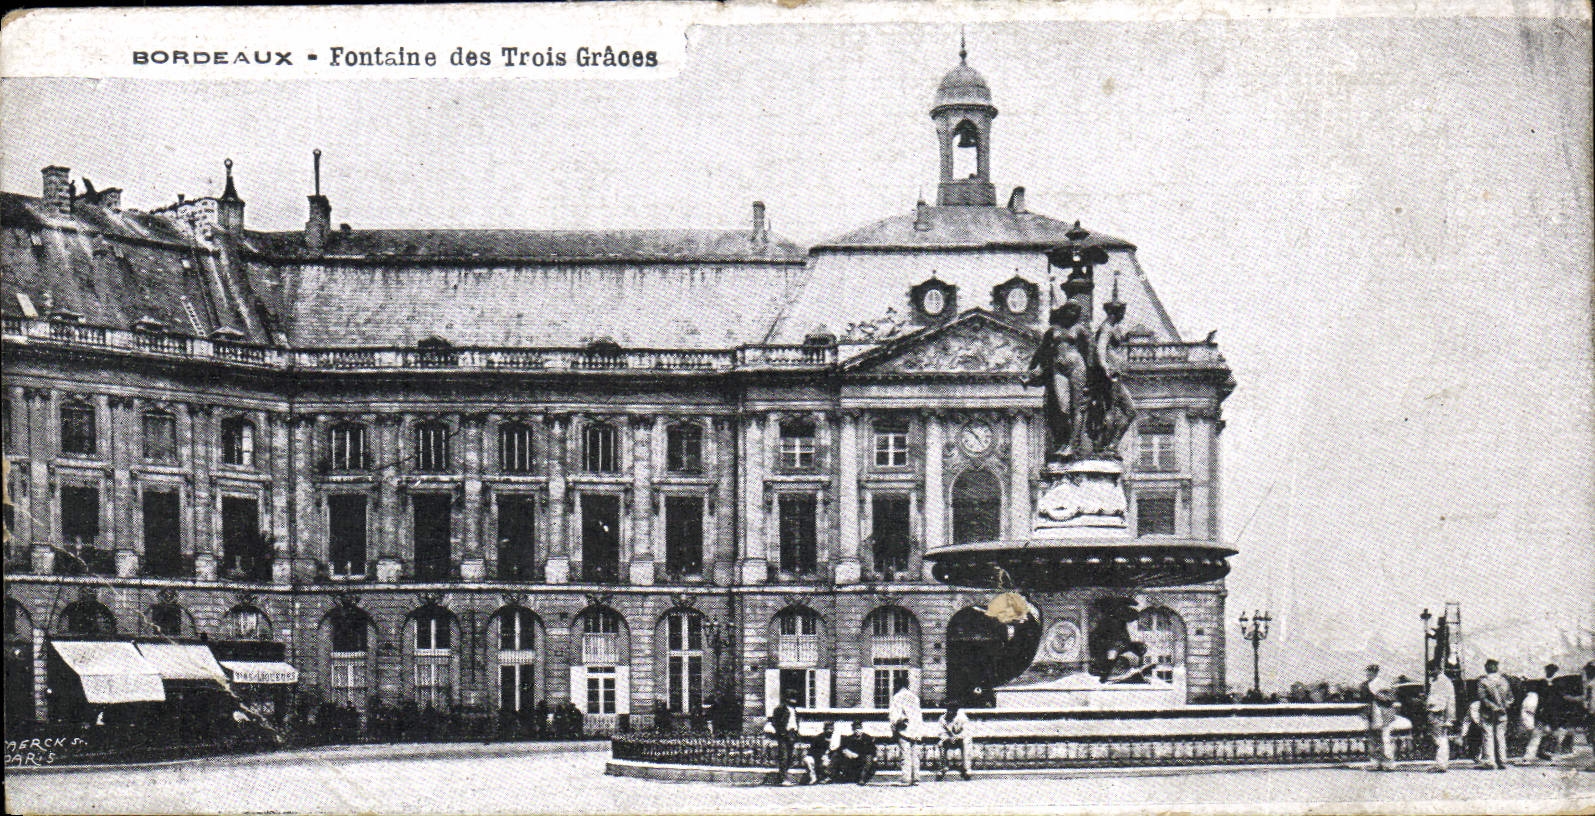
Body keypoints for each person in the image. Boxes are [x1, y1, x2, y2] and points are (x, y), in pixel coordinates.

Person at [1025, 301, 1092, 462]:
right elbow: (1041, 351)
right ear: (1064, 310)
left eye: (1076, 311)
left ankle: (1071, 444)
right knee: (1063, 408)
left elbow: (1090, 353)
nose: (1073, 313)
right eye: (1071, 310)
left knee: (1076, 407)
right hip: (1058, 369)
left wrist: (1091, 377)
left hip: (1077, 367)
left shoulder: (1080, 329)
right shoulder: (1052, 330)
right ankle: (1063, 441)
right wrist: (1032, 370)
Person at [1521, 663, 1567, 763]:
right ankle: (1528, 757)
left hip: (1554, 713)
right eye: (1548, 670)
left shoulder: (1559, 683)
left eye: (1551, 670)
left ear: (1555, 671)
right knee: (1537, 734)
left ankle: (1555, 757)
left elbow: (1561, 699)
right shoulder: (1542, 682)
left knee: (1555, 735)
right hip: (1543, 712)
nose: (1549, 672)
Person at [1475, 659, 1514, 770]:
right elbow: (1511, 698)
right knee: (1500, 736)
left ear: (1486, 667)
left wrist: (1494, 707)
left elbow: (1483, 698)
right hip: (1502, 713)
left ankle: (1490, 761)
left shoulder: (1483, 681)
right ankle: (1502, 760)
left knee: (1488, 736)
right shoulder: (1504, 681)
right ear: (1497, 668)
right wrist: (1504, 706)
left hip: (1487, 713)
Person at [1361, 664, 1399, 770]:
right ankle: (1376, 762)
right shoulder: (1365, 685)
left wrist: (1380, 696)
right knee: (1373, 738)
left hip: (1384, 714)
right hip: (1373, 714)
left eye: (1370, 672)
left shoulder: (1383, 684)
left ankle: (1388, 763)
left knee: (1385, 738)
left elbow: (1391, 698)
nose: (1368, 674)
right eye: (1367, 672)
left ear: (1375, 673)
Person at [888, 677, 923, 786]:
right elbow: (918, 715)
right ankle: (916, 778)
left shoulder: (897, 697)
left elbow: (895, 715)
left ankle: (906, 779)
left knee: (905, 755)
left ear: (897, 685)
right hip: (915, 729)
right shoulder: (914, 698)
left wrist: (894, 726)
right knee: (914, 755)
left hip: (904, 729)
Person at [1424, 667, 1456, 773]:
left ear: (1438, 669)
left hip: (1439, 712)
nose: (1429, 672)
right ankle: (1440, 763)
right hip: (1434, 712)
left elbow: (1450, 700)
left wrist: (1449, 718)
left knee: (1440, 739)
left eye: (1431, 669)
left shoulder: (1444, 682)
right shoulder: (1436, 681)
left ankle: (1441, 764)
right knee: (1438, 739)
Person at [764, 693, 799, 785]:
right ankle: (783, 778)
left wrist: (796, 732)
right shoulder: (780, 709)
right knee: (783, 756)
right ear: (787, 699)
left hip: (792, 733)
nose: (794, 700)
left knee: (790, 757)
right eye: (792, 698)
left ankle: (784, 775)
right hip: (784, 735)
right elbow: (775, 722)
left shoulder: (794, 709)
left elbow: (795, 721)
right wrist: (782, 732)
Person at [935, 702, 972, 780]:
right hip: (948, 740)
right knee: (940, 744)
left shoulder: (962, 718)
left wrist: (957, 737)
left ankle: (966, 769)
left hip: (960, 740)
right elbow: (940, 732)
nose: (951, 712)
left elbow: (967, 732)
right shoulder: (943, 718)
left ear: (956, 710)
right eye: (949, 709)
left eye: (953, 710)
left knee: (966, 742)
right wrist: (947, 738)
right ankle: (943, 767)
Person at [833, 719, 877, 785]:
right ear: (853, 730)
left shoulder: (867, 738)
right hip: (852, 759)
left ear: (862, 729)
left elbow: (871, 750)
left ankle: (862, 778)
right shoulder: (849, 738)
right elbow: (841, 748)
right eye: (855, 729)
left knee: (868, 759)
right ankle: (837, 776)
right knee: (837, 755)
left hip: (863, 757)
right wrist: (846, 751)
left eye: (859, 728)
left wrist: (859, 755)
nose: (857, 731)